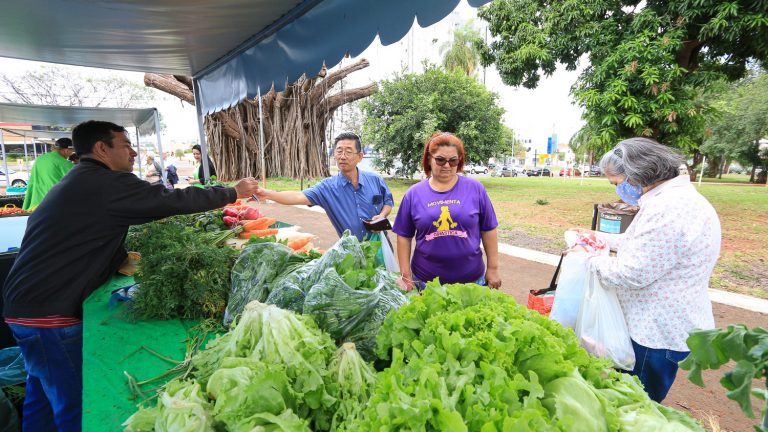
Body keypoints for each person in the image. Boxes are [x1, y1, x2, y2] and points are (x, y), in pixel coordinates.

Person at [1, 120, 259, 431]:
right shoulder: (106, 183)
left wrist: (119, 258)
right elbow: (171, 200)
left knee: (42, 392)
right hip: (51, 314)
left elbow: (78, 236)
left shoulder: (76, 182)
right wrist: (232, 192)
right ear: (101, 149)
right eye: (125, 145)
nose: (133, 152)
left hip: (23, 305)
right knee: (72, 403)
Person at [582, 137, 720, 403]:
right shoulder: (668, 200)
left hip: (655, 333)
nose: (618, 191)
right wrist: (597, 238)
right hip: (658, 325)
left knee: (635, 408)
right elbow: (643, 246)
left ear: (637, 174)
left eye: (617, 183)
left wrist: (588, 260)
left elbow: (632, 272)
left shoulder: (670, 208)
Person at [393, 132, 501, 291]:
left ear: (460, 161)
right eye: (440, 160)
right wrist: (405, 274)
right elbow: (403, 236)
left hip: (472, 282)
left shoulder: (475, 189)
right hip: (426, 284)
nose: (447, 165)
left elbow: (489, 229)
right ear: (429, 159)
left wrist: (493, 268)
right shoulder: (413, 194)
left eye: (453, 161)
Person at [254, 132, 394, 241]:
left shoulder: (375, 180)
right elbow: (297, 196)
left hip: (381, 245)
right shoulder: (327, 188)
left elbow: (388, 202)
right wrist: (267, 193)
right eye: (339, 151)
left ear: (360, 156)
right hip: (352, 253)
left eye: (348, 151)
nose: (342, 156)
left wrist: (381, 215)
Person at [22, 137, 74, 210]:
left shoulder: (40, 159)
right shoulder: (65, 163)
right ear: (66, 150)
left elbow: (32, 181)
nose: (71, 154)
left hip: (36, 203)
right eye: (71, 151)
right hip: (54, 204)